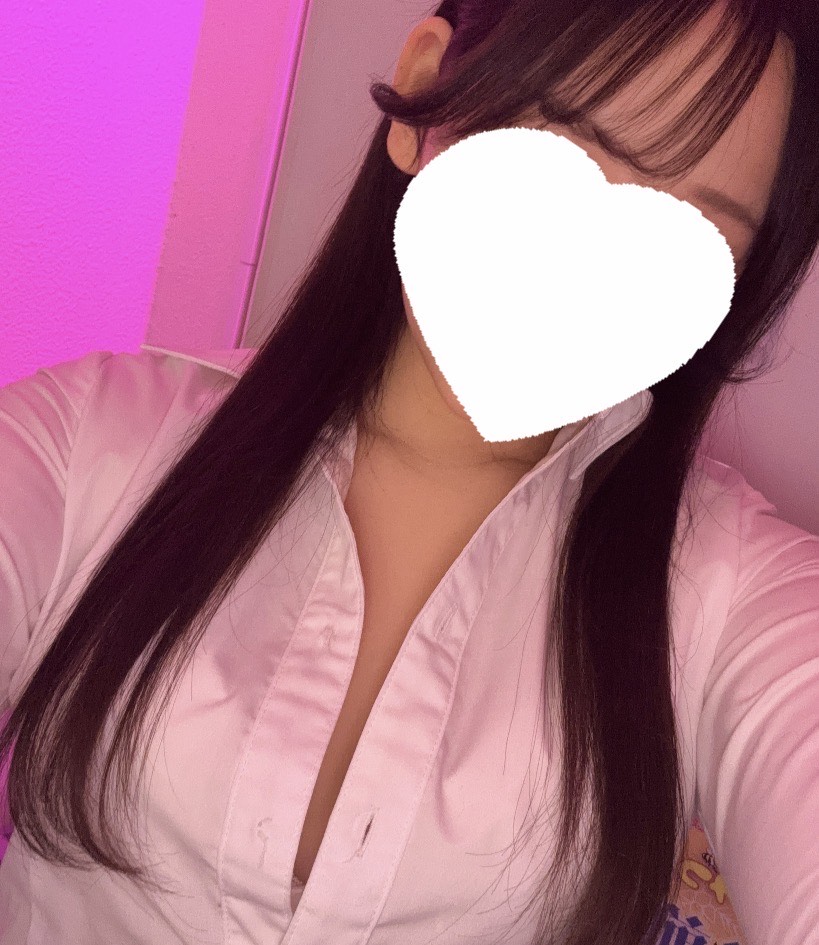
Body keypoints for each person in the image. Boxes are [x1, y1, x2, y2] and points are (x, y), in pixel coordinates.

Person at [0, 2, 817, 944]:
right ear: (426, 91)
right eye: (564, 145)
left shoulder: (733, 595)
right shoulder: (91, 443)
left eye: (689, 225)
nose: (585, 269)